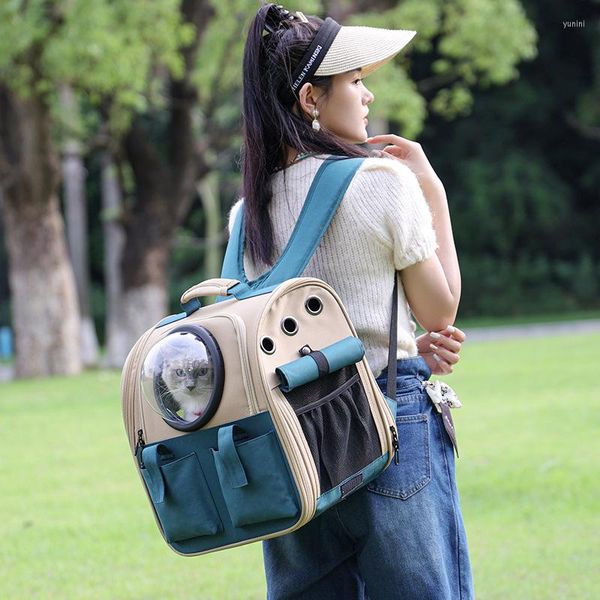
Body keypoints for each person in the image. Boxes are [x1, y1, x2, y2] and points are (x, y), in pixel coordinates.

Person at [228, 4, 475, 599]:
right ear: (311, 99)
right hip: (388, 412)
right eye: (356, 81)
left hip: (291, 436)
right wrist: (431, 188)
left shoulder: (246, 216)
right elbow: (440, 310)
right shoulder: (382, 183)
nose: (366, 97)